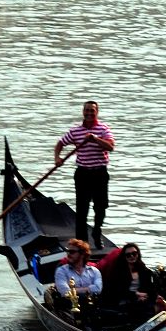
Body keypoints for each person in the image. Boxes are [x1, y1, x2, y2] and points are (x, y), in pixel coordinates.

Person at [55, 101, 115, 245]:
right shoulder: (75, 131)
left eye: (92, 111)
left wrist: (94, 138)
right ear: (83, 112)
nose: (89, 113)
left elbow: (111, 146)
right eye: (87, 110)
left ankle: (97, 230)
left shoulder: (103, 129)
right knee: (82, 210)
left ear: (97, 112)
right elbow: (60, 143)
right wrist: (57, 157)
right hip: (83, 174)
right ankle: (82, 243)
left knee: (101, 207)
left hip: (100, 173)